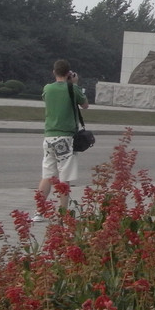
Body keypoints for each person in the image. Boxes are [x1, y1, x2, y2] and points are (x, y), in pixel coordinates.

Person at [36, 58, 88, 217]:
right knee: (64, 178)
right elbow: (85, 105)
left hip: (49, 136)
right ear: (69, 73)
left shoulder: (48, 89)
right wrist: (76, 84)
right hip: (66, 138)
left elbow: (47, 99)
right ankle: (63, 214)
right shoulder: (72, 88)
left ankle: (39, 212)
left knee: (47, 175)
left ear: (54, 72)